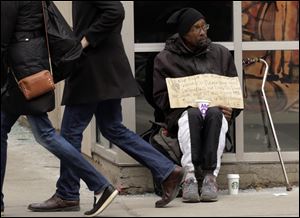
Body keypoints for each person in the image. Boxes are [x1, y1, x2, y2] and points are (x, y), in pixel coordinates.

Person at [27, 1, 186, 213]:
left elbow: (116, 11)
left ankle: (67, 194)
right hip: (105, 70)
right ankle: (167, 170)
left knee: (70, 134)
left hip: (93, 71)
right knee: (112, 127)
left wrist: (85, 41)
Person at [1, 1, 118, 217]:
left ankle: (100, 185)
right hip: (27, 68)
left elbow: (3, 37)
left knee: (45, 134)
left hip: (23, 74)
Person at [153, 8, 242, 203]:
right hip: (182, 115)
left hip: (215, 115)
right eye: (196, 28)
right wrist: (181, 100)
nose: (203, 32)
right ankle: (190, 176)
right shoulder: (166, 59)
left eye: (205, 26)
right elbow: (159, 97)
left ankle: (210, 177)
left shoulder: (221, 54)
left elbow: (234, 91)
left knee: (214, 114)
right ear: (184, 32)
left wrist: (231, 109)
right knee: (193, 114)